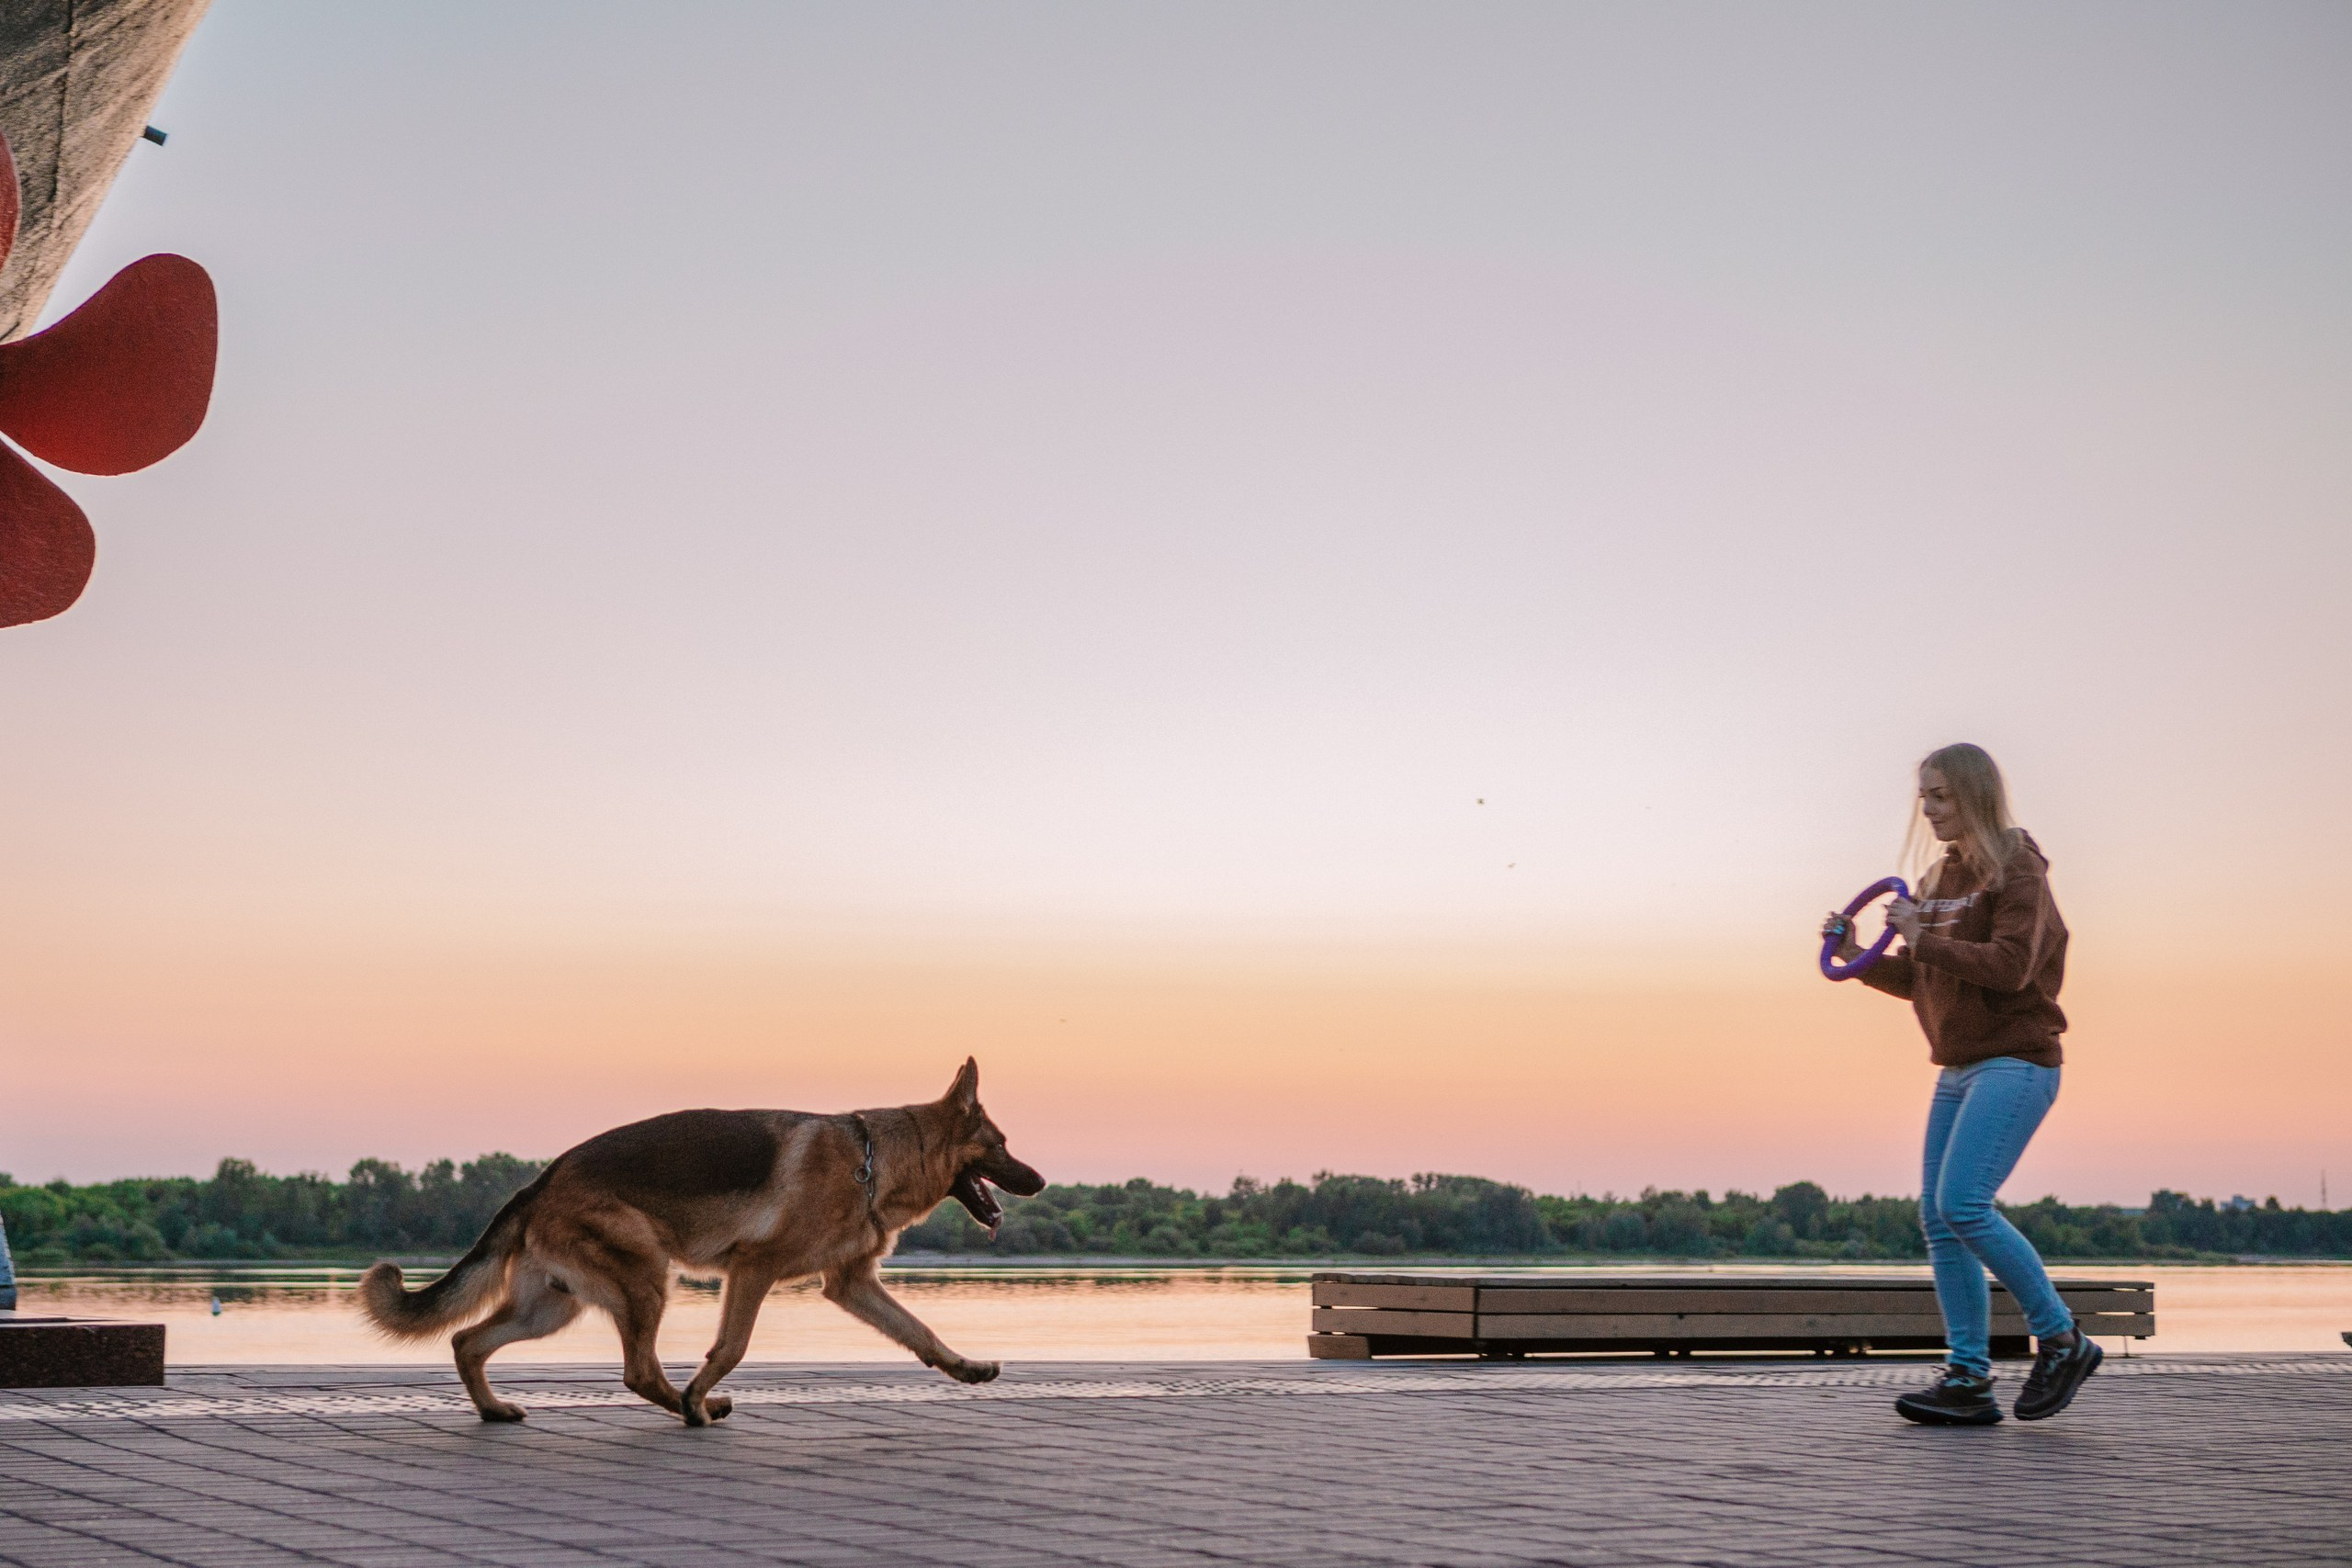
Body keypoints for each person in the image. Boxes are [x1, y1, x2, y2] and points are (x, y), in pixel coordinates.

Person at [1823, 742, 2102, 1426]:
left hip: (2017, 1060)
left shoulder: (2018, 868)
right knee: (1939, 1218)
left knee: (1964, 1203)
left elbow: (2008, 967)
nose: (1929, 809)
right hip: (1956, 1067)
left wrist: (1920, 937)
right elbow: (1927, 974)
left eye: (1941, 796)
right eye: (1924, 796)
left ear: (1975, 795)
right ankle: (1969, 1378)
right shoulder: (1941, 878)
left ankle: (2062, 1337)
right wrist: (1858, 957)